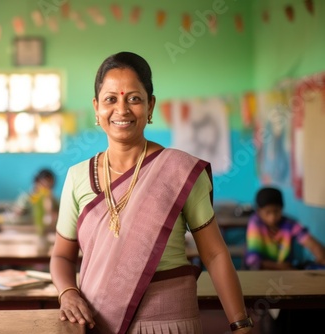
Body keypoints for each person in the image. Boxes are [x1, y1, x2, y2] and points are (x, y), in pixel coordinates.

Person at [50, 51, 252, 333]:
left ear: (150, 105)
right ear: (96, 107)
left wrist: (240, 324)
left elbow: (215, 254)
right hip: (96, 322)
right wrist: (68, 292)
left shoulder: (179, 170)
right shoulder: (76, 177)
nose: (121, 110)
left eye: (133, 98)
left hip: (170, 321)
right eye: (111, 99)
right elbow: (61, 256)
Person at [245, 186, 325, 270]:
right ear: (259, 211)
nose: (272, 217)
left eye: (276, 211)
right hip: (260, 273)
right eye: (267, 212)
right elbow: (252, 260)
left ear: (281, 209)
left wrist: (321, 255)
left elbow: (309, 241)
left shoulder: (289, 224)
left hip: (284, 273)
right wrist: (279, 267)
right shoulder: (255, 223)